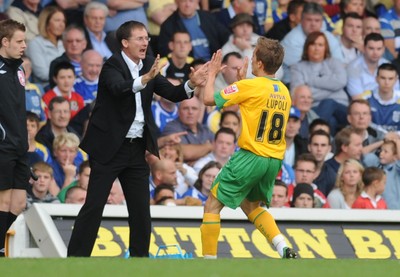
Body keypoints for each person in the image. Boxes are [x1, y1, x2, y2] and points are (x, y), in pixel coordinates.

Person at [67, 20, 207, 258]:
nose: (145, 43)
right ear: (125, 43)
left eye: (146, 39)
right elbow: (117, 88)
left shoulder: (150, 64)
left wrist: (192, 83)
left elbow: (172, 94)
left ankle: (140, 261)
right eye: (140, 38)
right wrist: (144, 79)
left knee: (141, 210)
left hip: (136, 149)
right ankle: (76, 260)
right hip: (108, 148)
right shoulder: (112, 64)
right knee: (94, 206)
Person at [199, 38, 297, 259]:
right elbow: (256, 104)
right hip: (272, 160)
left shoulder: (250, 86)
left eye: (253, 57)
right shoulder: (284, 91)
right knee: (251, 206)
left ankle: (208, 262)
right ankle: (283, 247)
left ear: (260, 64)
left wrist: (213, 72)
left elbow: (207, 99)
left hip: (250, 156)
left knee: (212, 206)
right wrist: (243, 81)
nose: (251, 60)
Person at [0, 19, 29, 257]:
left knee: (18, 204)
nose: (24, 46)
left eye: (25, 41)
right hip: (2, 145)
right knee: (2, 201)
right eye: (19, 41)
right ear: (4, 41)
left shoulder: (19, 69)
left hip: (20, 146)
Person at [158, 0, 230, 60]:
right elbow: (165, 53)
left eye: (191, 1)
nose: (187, 4)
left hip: (214, 65)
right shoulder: (168, 25)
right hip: (187, 69)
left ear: (197, 1)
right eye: (183, 1)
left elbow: (227, 38)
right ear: (177, 2)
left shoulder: (209, 18)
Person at [26, 5, 65, 86]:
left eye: (63, 21)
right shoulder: (35, 43)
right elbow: (42, 73)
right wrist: (65, 76)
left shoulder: (64, 42)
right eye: (57, 20)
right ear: (46, 23)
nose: (62, 24)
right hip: (47, 87)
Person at [360, 63, 400, 133]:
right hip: (372, 138)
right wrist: (384, 135)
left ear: (396, 80)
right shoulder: (366, 98)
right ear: (376, 79)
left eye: (390, 79)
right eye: (383, 78)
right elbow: (360, 122)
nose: (386, 82)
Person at [363, 136, 400, 209]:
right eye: (381, 150)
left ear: (395, 157)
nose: (381, 154)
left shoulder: (396, 168)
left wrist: (397, 141)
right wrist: (383, 141)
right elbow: (363, 152)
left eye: (385, 151)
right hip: (378, 210)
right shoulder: (376, 164)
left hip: (396, 210)